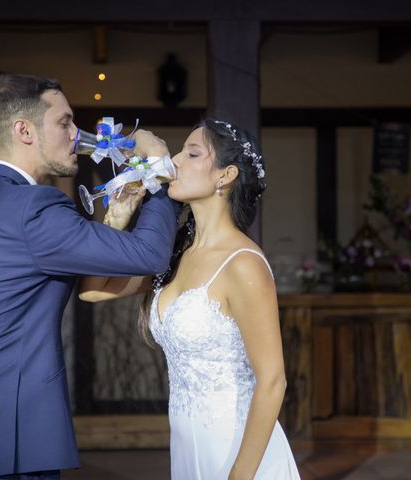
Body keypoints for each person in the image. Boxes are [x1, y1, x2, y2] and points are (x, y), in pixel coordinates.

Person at [0, 74, 181, 479]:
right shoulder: (36, 207)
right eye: (65, 123)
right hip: (16, 446)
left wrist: (114, 221)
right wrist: (159, 172)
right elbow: (149, 254)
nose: (77, 136)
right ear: (24, 130)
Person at [80, 119, 301, 479]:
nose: (176, 161)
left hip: (240, 452)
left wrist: (239, 475)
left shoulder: (243, 263)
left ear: (225, 175)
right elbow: (92, 290)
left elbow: (274, 379)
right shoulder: (175, 254)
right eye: (180, 151)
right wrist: (116, 218)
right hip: (186, 447)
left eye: (192, 153)